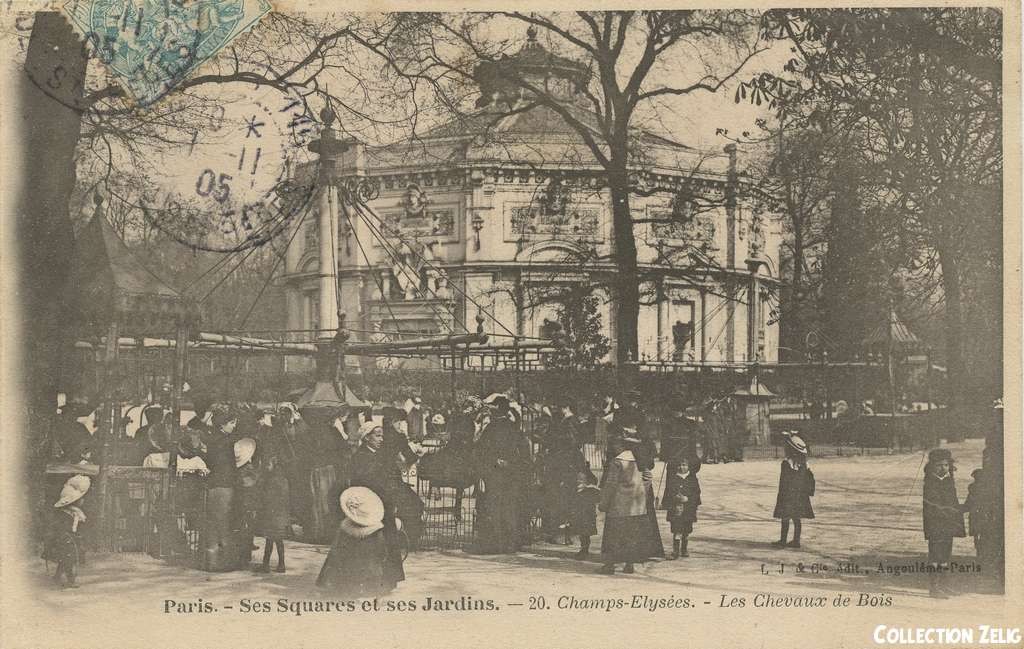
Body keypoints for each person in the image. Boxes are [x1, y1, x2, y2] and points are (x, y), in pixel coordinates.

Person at [468, 393, 532, 554]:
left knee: (494, 507)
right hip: (511, 473)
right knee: (510, 507)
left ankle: (497, 542)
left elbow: (481, 450)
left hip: (494, 473)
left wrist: (491, 465)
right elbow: (524, 452)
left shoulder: (492, 428)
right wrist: (512, 464)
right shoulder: (514, 428)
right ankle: (511, 542)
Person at [180, 403, 241, 571]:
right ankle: (222, 562)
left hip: (213, 483)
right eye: (232, 423)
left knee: (212, 522)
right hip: (224, 484)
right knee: (223, 522)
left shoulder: (212, 438)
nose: (234, 426)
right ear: (223, 424)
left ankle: (210, 561)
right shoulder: (228, 442)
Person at [349, 422, 406, 591]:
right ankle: (371, 581)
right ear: (366, 438)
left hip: (385, 504)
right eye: (377, 436)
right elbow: (361, 482)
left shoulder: (381, 455)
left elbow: (393, 476)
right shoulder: (360, 457)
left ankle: (389, 579)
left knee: (388, 541)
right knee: (372, 544)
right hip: (371, 506)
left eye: (382, 435)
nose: (381, 439)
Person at [317, 486, 395, 597]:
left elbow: (337, 550)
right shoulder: (376, 531)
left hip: (349, 569)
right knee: (373, 573)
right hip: (371, 569)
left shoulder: (344, 529)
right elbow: (382, 551)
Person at [598, 437, 658, 574]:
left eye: (615, 445)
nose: (613, 448)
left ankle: (609, 565)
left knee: (614, 535)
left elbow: (611, 484)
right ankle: (629, 565)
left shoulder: (617, 461)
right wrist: (642, 491)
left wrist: (604, 503)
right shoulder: (639, 459)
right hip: (636, 505)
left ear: (621, 446)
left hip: (619, 505)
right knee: (631, 535)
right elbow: (648, 477)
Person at [923, 448, 966, 598]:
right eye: (939, 465)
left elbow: (953, 501)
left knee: (946, 555)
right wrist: (949, 511)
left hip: (948, 524)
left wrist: (958, 510)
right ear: (932, 466)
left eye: (946, 465)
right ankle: (934, 587)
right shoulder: (930, 482)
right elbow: (933, 506)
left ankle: (944, 585)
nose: (943, 468)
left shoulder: (948, 480)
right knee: (935, 555)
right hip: (936, 524)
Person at [46, 475, 91, 588]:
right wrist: (66, 536)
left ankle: (57, 576)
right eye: (81, 499)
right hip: (64, 539)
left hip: (70, 538)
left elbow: (76, 527)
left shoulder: (76, 512)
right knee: (68, 559)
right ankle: (71, 580)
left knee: (65, 558)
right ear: (75, 502)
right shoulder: (65, 513)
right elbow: (60, 527)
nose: (83, 500)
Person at [772, 432, 815, 549]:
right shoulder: (805, 464)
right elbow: (810, 480)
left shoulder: (786, 464)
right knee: (797, 518)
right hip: (800, 496)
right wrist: (808, 492)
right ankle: (796, 541)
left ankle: (783, 540)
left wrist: (781, 496)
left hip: (788, 495)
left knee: (785, 518)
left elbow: (783, 482)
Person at [255, 455, 290, 573]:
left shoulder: (272, 480)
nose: (266, 467)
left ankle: (266, 565)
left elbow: (268, 498)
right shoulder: (283, 479)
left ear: (273, 465)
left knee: (270, 540)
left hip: (272, 514)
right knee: (278, 540)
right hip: (281, 514)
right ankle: (281, 564)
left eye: (268, 465)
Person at [666, 457, 701, 559]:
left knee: (686, 530)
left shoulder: (692, 478)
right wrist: (674, 497)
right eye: (680, 465)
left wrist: (688, 498)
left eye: (684, 465)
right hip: (676, 508)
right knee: (677, 529)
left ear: (689, 466)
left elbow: (696, 493)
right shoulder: (673, 478)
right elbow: (669, 491)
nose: (682, 467)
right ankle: (675, 550)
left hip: (688, 508)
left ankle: (684, 549)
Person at [235, 437, 259, 568]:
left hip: (241, 500)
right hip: (248, 500)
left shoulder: (238, 469)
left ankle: (243, 555)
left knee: (242, 527)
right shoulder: (249, 468)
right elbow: (252, 483)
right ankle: (245, 556)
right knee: (247, 528)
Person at [569, 466, 600, 560]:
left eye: (581, 480)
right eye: (577, 480)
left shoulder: (591, 491)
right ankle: (583, 549)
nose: (579, 481)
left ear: (587, 481)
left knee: (585, 533)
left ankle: (584, 550)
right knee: (581, 533)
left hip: (587, 515)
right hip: (579, 515)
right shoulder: (575, 491)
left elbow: (598, 498)